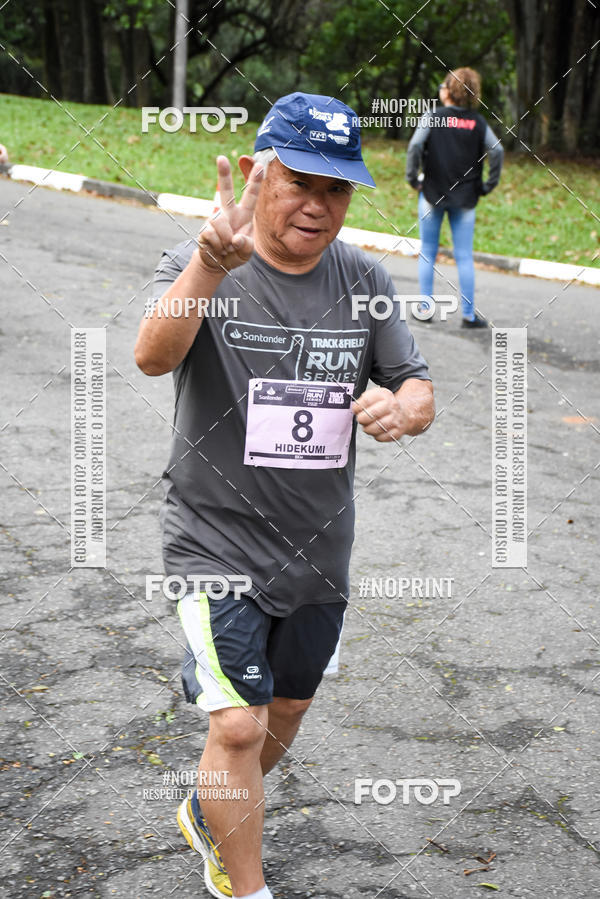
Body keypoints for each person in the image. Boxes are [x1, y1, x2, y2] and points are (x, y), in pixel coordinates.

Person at [135, 91, 434, 899]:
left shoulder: (363, 277)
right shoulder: (205, 258)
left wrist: (403, 408)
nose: (318, 204)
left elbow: (416, 384)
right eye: (300, 180)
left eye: (336, 188)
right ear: (261, 173)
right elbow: (152, 357)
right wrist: (208, 265)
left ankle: (214, 805)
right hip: (214, 538)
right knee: (236, 721)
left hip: (318, 549)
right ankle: (246, 883)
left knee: (285, 713)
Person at [406, 67, 504, 328]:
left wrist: (412, 178)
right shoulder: (477, 122)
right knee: (464, 255)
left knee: (428, 252)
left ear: (448, 90)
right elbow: (498, 151)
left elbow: (415, 146)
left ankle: (425, 310)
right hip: (466, 198)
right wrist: (487, 185)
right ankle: (469, 316)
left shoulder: (433, 117)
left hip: (431, 194)